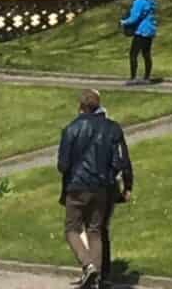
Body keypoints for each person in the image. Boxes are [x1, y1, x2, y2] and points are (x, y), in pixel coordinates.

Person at [57, 89, 129, 289]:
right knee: (95, 230)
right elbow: (118, 160)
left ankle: (88, 265)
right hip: (102, 186)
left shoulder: (71, 129)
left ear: (80, 107)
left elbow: (62, 165)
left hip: (78, 185)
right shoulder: (111, 128)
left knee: (72, 228)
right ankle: (96, 279)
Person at [96, 101, 134, 288]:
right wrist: (128, 186)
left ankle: (92, 269)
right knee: (102, 229)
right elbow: (123, 160)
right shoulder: (113, 131)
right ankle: (103, 274)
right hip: (108, 186)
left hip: (86, 187)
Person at [120, 0, 158, 82]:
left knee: (133, 54)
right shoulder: (150, 1)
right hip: (150, 30)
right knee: (146, 54)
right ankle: (147, 77)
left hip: (141, 31)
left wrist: (124, 22)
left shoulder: (139, 2)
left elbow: (134, 18)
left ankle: (133, 78)